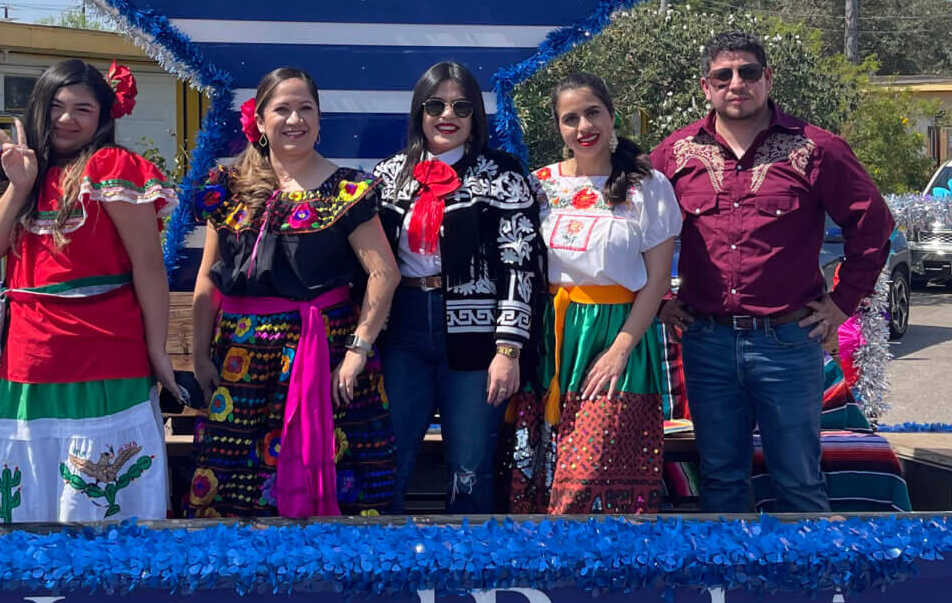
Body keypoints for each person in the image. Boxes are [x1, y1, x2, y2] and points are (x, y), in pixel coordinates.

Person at [656, 31, 892, 514]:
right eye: (723, 75)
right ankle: (727, 589)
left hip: (787, 342)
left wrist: (842, 304)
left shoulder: (815, 149)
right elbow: (632, 230)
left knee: (798, 481)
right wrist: (659, 299)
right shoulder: (674, 156)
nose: (735, 83)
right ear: (706, 86)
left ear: (768, 79)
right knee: (720, 480)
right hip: (707, 343)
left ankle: (813, 590)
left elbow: (873, 227)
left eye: (747, 72)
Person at [0, 59, 179, 523]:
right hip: (31, 360)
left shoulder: (112, 168)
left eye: (82, 109)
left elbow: (148, 266)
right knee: (30, 494)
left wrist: (157, 351)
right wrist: (19, 185)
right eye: (57, 107)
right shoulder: (13, 170)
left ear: (103, 118)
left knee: (106, 498)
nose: (66, 119)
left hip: (105, 356)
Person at [186, 67, 398, 518]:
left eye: (306, 108)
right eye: (282, 109)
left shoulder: (348, 189)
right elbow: (209, 279)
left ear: (320, 121)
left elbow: (384, 274)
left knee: (337, 474)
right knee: (232, 480)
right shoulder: (227, 188)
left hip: (323, 355)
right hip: (241, 357)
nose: (295, 119)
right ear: (260, 121)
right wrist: (200, 356)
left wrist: (358, 350)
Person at [370, 62, 541, 514]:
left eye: (461, 105)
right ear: (418, 112)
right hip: (402, 326)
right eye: (436, 104)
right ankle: (383, 569)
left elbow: (520, 265)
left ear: (476, 115)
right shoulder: (387, 176)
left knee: (470, 461)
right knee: (388, 455)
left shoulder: (504, 174)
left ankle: (467, 572)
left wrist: (509, 349)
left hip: (478, 333)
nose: (448, 114)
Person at [521, 71, 680, 515]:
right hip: (552, 337)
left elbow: (657, 281)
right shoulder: (538, 185)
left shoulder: (648, 186)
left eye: (593, 113)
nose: (583, 127)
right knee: (541, 466)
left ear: (611, 117)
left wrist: (621, 348)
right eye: (570, 118)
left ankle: (602, 573)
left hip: (614, 333)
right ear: (558, 127)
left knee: (594, 469)